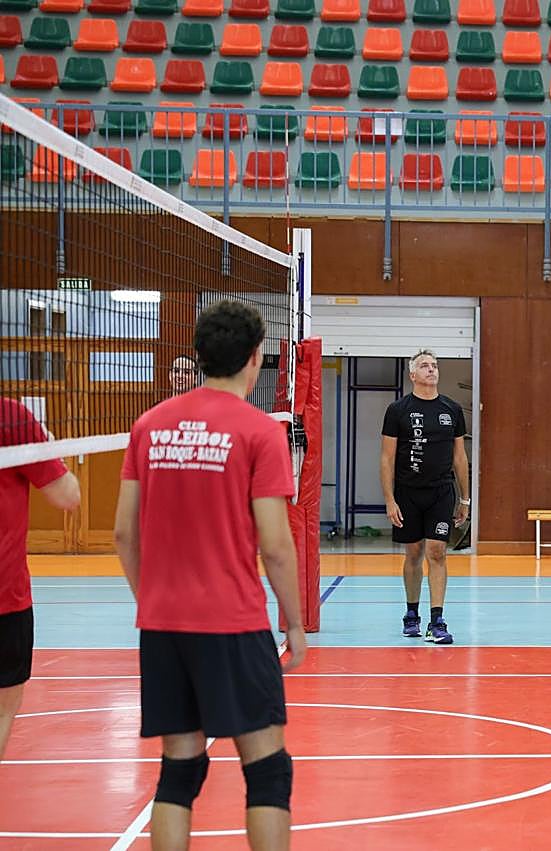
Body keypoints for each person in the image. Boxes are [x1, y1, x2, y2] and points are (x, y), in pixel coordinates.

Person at [114, 300, 307, 849]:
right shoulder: (258, 431)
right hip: (232, 623)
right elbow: (274, 545)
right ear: (255, 358)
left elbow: (125, 534)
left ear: (198, 357)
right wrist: (294, 626)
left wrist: (151, 597)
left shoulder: (148, 426)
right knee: (268, 769)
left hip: (163, 625)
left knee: (180, 769)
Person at [0, 399, 80, 760]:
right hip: (5, 598)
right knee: (2, 710)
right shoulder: (11, 417)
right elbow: (67, 496)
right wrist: (47, 444)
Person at [380, 350, 469, 645]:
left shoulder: (452, 410)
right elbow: (386, 458)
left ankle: (437, 620)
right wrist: (390, 499)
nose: (431, 370)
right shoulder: (398, 411)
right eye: (425, 366)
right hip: (407, 493)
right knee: (414, 554)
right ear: (413, 375)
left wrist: (465, 499)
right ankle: (411, 614)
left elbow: (459, 457)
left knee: (437, 552)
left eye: (434, 365)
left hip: (441, 492)